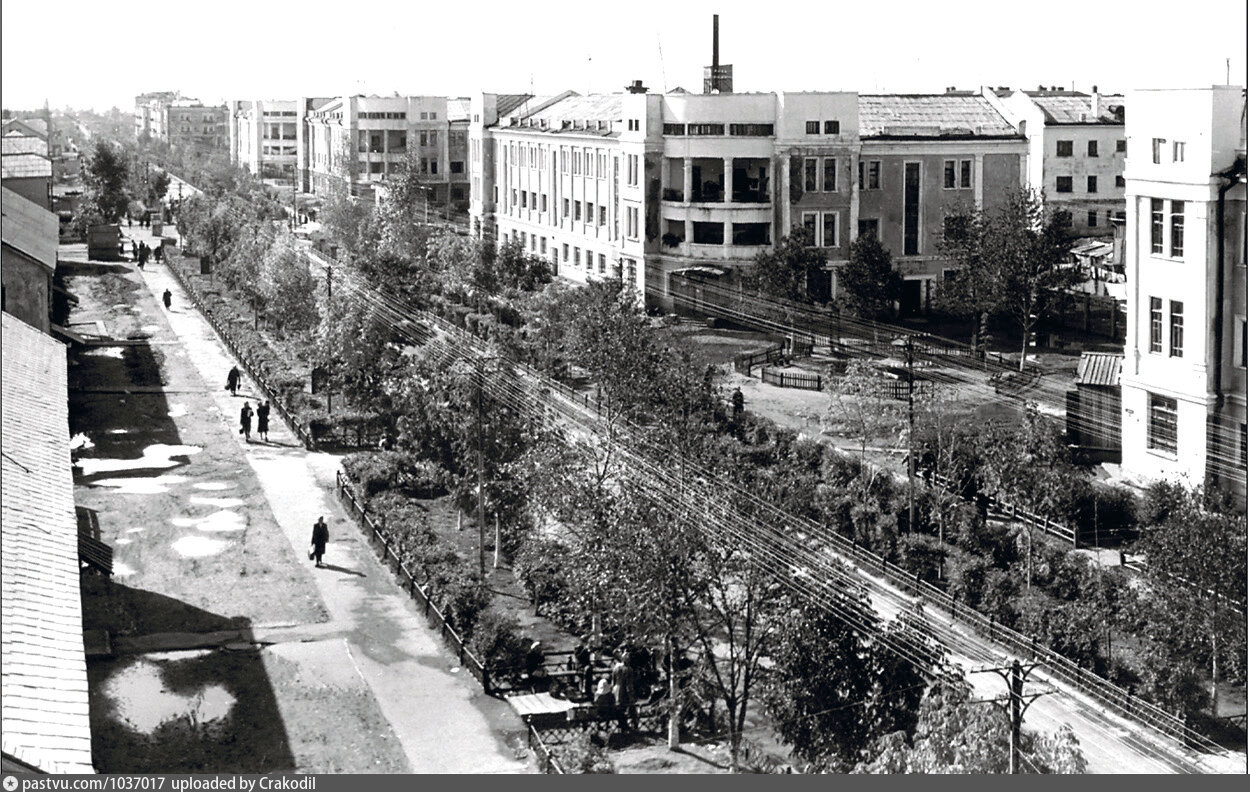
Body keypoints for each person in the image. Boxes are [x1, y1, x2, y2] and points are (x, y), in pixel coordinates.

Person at [611, 651, 637, 730]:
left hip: (616, 689)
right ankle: (632, 724)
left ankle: (622, 725)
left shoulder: (616, 667)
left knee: (619, 708)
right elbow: (629, 683)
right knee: (630, 707)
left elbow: (613, 680)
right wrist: (631, 694)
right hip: (624, 690)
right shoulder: (629, 669)